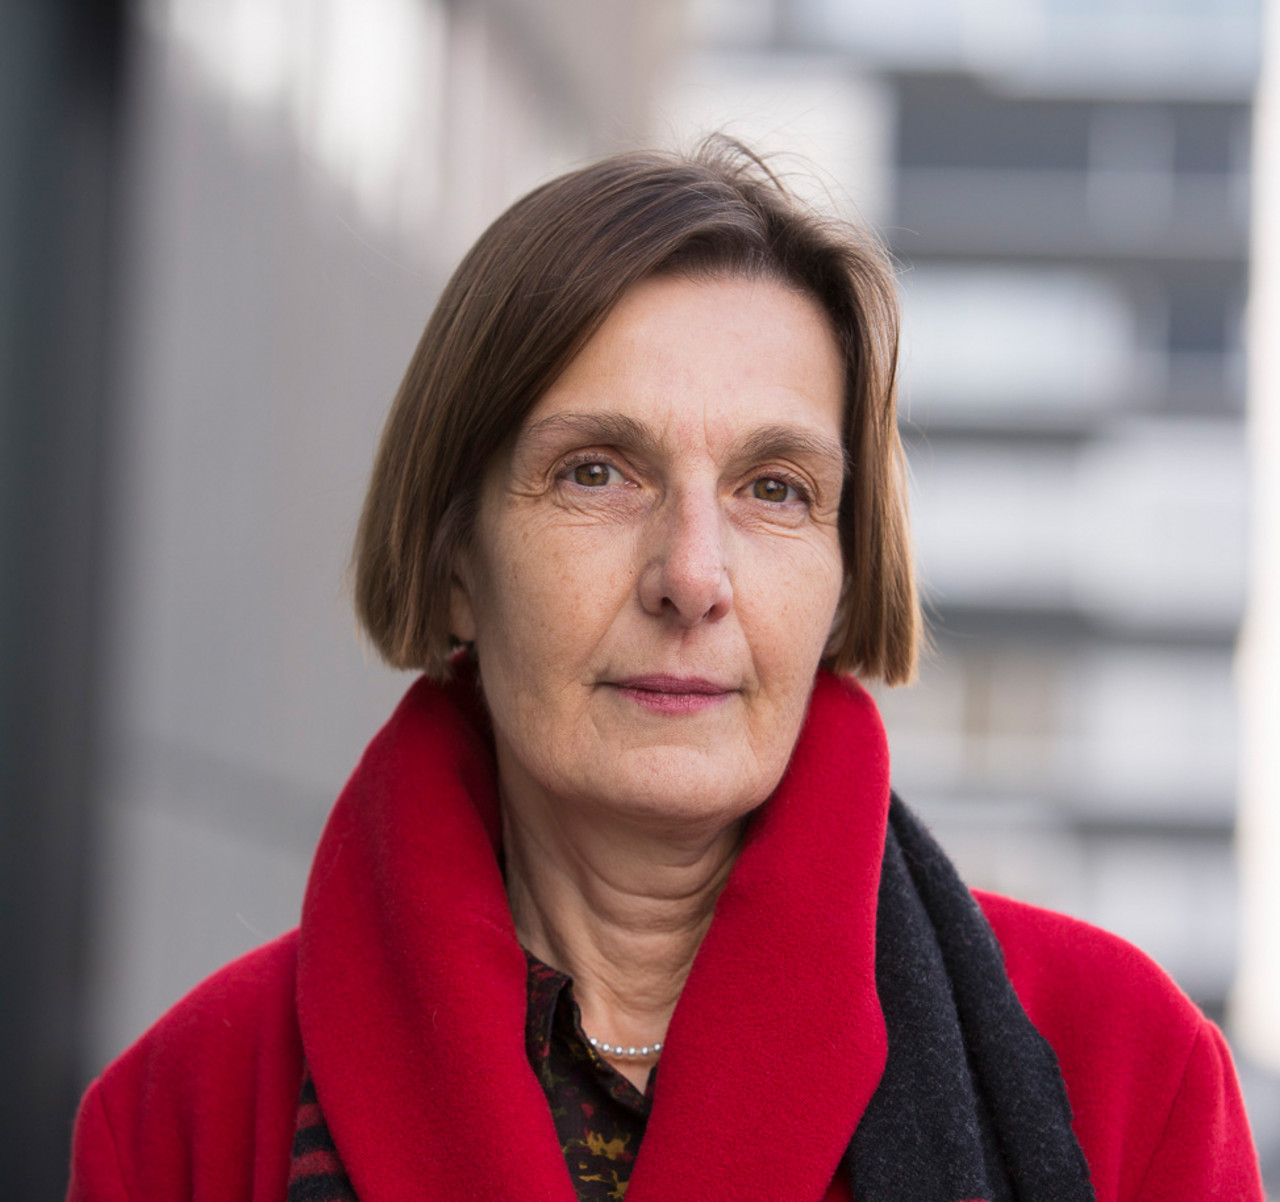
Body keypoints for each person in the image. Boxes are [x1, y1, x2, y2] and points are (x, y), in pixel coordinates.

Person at [67, 141, 1263, 1202]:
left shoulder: (1122, 1069)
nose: (691, 575)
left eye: (773, 488)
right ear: (452, 558)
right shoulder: (182, 1114)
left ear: (846, 576)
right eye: (595, 471)